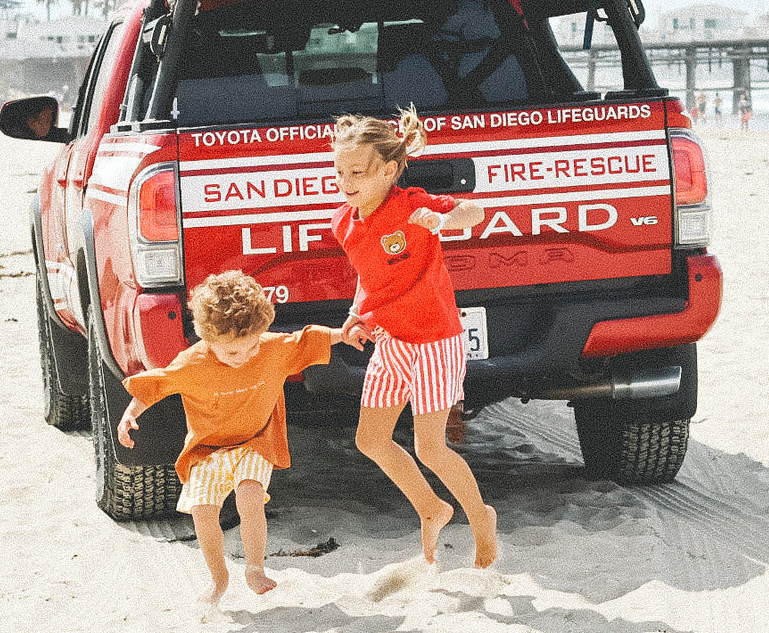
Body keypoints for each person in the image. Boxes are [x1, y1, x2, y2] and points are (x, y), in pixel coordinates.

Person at [330, 107, 498, 569]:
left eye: (357, 173)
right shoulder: (344, 223)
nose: (346, 181)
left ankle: (482, 521)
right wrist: (354, 313)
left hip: (434, 343)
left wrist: (442, 222)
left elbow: (475, 210)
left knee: (431, 448)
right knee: (371, 439)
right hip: (391, 342)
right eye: (340, 171)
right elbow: (370, 276)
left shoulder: (409, 205)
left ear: (387, 171)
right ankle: (431, 507)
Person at [118, 271, 343, 607]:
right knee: (203, 509)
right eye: (234, 353)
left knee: (249, 496)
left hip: (256, 439)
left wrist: (347, 334)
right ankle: (219, 579)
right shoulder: (192, 363)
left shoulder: (269, 349)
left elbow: (307, 340)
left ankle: (255, 569)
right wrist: (130, 413)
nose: (246, 357)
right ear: (208, 339)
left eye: (252, 345)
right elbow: (156, 385)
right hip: (207, 449)